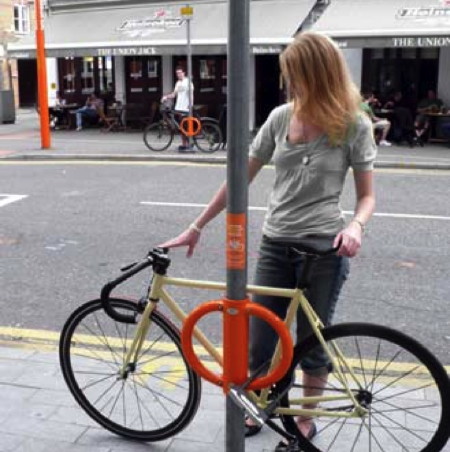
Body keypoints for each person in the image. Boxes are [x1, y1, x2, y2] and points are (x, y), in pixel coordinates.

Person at [159, 32, 376, 451]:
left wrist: (356, 227)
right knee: (259, 341)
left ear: (317, 74)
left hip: (323, 250)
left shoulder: (354, 125)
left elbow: (367, 195)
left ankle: (306, 422)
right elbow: (240, 178)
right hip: (276, 243)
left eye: (294, 74)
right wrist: (198, 225)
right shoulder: (280, 118)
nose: (288, 82)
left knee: (312, 344)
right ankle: (260, 405)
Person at [161, 67, 194, 152]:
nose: (178, 75)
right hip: (178, 108)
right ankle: (184, 144)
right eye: (177, 73)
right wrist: (166, 97)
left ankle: (189, 144)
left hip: (185, 108)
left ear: (184, 73)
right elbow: (174, 94)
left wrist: (190, 105)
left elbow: (191, 94)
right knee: (181, 127)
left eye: (180, 73)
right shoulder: (178, 83)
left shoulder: (188, 82)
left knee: (185, 127)